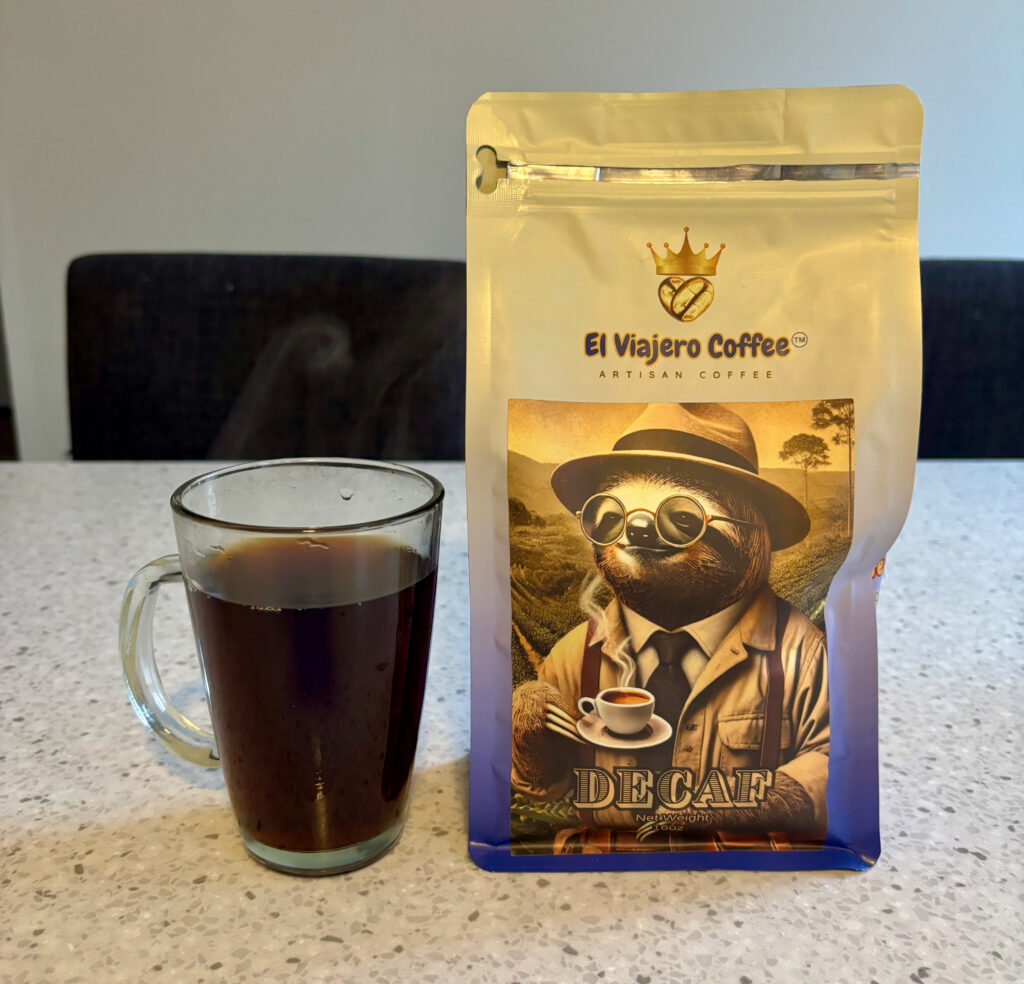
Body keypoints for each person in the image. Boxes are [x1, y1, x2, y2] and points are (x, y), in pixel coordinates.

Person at [511, 403, 829, 849]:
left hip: (740, 876)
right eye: (613, 516)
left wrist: (761, 799)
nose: (637, 530)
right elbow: (543, 786)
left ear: (751, 533)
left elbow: (835, 756)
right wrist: (532, 736)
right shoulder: (575, 652)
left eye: (682, 519)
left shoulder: (800, 649)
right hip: (605, 873)